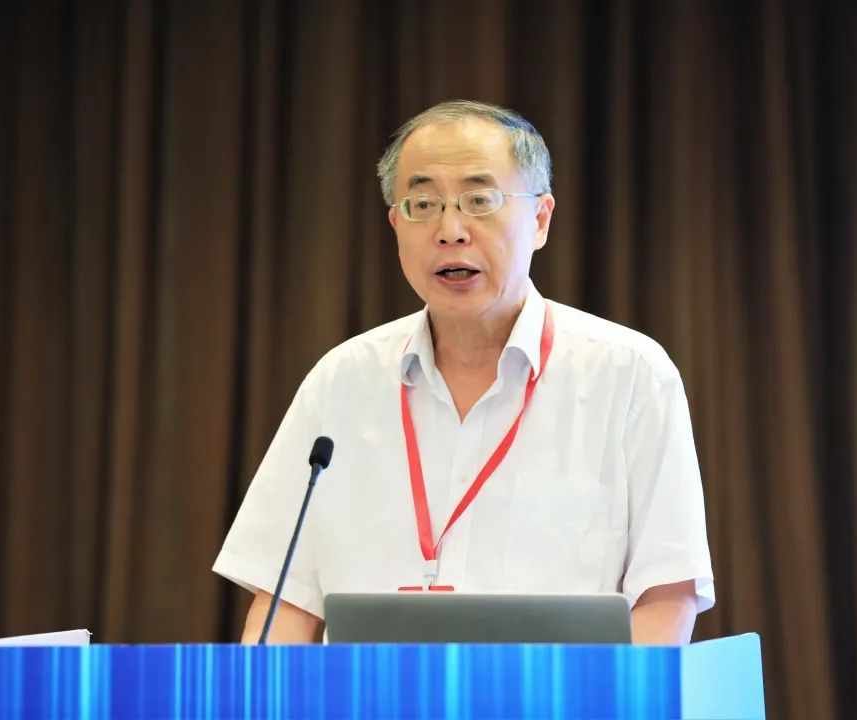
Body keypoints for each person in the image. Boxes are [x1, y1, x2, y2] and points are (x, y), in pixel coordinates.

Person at [213, 100, 714, 645]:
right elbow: (284, 604)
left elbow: (666, 596)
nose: (450, 230)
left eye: (479, 200)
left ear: (540, 219)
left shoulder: (631, 376)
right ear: (395, 225)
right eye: (422, 204)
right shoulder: (341, 382)